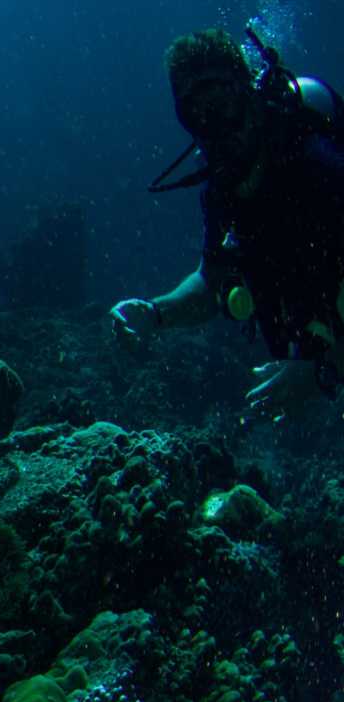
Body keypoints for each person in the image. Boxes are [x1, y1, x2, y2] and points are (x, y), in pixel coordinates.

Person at [111, 27, 344, 420]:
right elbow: (212, 281)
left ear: (247, 90)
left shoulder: (310, 154)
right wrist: (155, 313)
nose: (212, 124)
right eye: (194, 112)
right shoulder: (224, 186)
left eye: (219, 102)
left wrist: (327, 367)